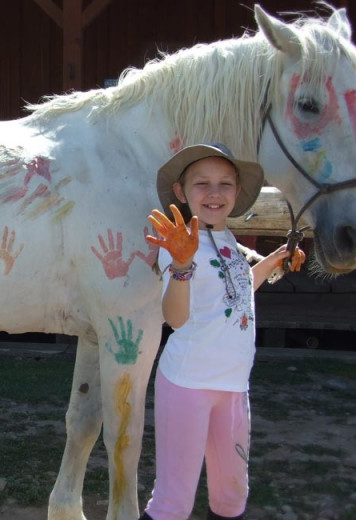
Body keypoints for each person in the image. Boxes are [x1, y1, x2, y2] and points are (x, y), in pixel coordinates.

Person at [141, 143, 305, 520]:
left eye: (225, 184)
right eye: (202, 183)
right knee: (172, 503)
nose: (215, 193)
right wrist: (181, 265)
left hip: (233, 386)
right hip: (188, 384)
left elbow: (240, 284)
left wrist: (275, 260)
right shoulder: (180, 244)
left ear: (237, 192)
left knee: (231, 498)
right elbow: (176, 318)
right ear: (182, 192)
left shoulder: (228, 239)